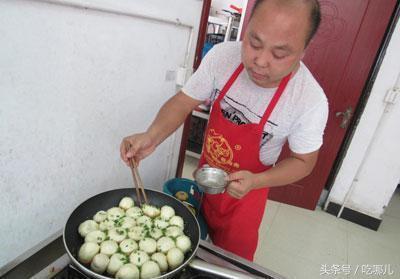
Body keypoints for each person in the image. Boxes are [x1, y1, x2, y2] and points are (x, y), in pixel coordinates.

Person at [120, 0, 328, 261]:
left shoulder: (309, 100)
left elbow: (303, 162)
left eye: (279, 54)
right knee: (189, 249)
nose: (260, 61)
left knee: (230, 264)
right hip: (205, 181)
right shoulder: (222, 57)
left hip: (246, 197)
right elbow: (184, 101)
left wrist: (257, 181)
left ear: (304, 50)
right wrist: (151, 136)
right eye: (254, 42)